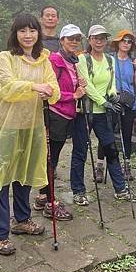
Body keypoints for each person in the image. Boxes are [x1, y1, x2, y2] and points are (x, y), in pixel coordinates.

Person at [0, 12, 60, 256]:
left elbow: (54, 88)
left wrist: (50, 92)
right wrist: (36, 87)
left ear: (38, 34)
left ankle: (22, 220)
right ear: (15, 34)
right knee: (2, 177)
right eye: (22, 31)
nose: (28, 36)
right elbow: (7, 87)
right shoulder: (6, 57)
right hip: (6, 125)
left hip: (32, 125)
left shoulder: (44, 59)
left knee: (25, 173)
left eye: (32, 31)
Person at [70, 24, 136, 205]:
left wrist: (114, 97)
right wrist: (104, 102)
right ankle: (78, 191)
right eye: (96, 38)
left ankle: (120, 189)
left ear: (106, 41)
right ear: (90, 40)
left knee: (111, 150)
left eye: (102, 38)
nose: (99, 41)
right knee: (80, 151)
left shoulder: (110, 60)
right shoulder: (83, 60)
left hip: (103, 113)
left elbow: (111, 84)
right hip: (86, 112)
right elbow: (87, 87)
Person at [32, 24, 87, 221]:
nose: (74, 41)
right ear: (61, 40)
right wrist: (73, 94)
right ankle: (49, 202)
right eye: (70, 38)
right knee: (51, 160)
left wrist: (79, 84)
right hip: (55, 115)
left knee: (51, 158)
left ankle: (42, 197)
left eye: (77, 39)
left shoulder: (73, 61)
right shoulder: (55, 60)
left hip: (66, 115)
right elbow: (49, 90)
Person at [96, 30, 136, 180]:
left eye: (129, 41)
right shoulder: (108, 59)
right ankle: (100, 166)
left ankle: (127, 166)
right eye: (124, 40)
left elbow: (135, 85)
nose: (126, 43)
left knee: (127, 135)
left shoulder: (132, 62)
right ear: (117, 43)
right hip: (111, 101)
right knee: (106, 134)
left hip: (129, 103)